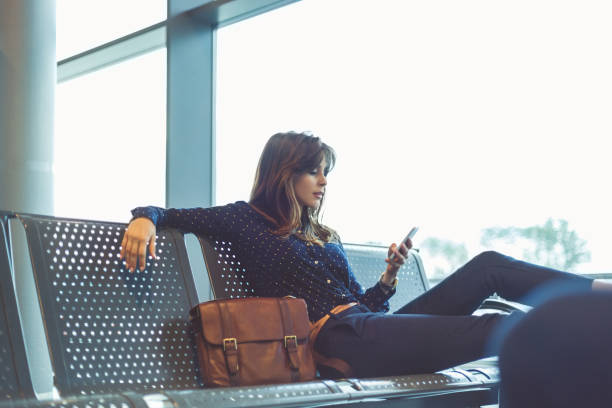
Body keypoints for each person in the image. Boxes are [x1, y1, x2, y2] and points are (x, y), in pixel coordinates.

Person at [120, 131, 611, 378]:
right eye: (314, 171)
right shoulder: (244, 219)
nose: (324, 181)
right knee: (492, 326)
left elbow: (369, 308)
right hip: (332, 342)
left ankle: (596, 298)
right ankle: (589, 332)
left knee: (487, 268)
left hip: (362, 327)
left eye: (325, 172)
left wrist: (390, 279)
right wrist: (145, 216)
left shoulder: (324, 236)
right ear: (284, 173)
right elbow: (172, 212)